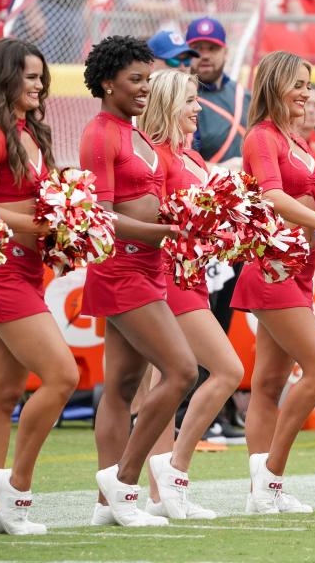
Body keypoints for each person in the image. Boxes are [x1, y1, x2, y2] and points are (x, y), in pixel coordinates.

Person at [78, 36, 197, 527]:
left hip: (148, 267)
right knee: (182, 370)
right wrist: (166, 230)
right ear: (108, 83)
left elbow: (152, 200)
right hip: (121, 269)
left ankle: (109, 505)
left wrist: (189, 220)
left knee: (122, 387)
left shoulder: (136, 134)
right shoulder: (99, 134)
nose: (145, 88)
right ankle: (124, 480)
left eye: (148, 79)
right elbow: (98, 216)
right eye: (135, 80)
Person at [0, 38, 79, 536]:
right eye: (29, 76)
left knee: (2, 394)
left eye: (41, 77)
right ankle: (17, 487)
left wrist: (67, 220)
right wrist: (41, 222)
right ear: (4, 77)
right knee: (62, 376)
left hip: (30, 272)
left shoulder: (29, 132)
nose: (39, 85)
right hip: (1, 273)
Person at [230, 50, 315, 513]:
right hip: (271, 269)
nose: (305, 92)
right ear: (273, 85)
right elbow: (272, 195)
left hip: (300, 272)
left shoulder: (302, 143)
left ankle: (262, 491)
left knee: (270, 382)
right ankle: (271, 476)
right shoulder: (261, 138)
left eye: (308, 84)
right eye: (296, 83)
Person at [135, 68, 244, 520]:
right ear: (166, 105)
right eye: (189, 101)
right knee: (227, 370)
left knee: (165, 383)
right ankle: (176, 471)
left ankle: (162, 495)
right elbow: (151, 221)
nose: (198, 108)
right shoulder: (154, 157)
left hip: (198, 275)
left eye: (198, 100)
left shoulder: (195, 160)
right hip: (169, 279)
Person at [186, 17, 249, 169]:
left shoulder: (244, 95)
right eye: (198, 49)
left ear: (226, 52)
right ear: (186, 53)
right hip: (202, 190)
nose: (205, 55)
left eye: (213, 48)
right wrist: (220, 171)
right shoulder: (179, 101)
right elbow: (179, 161)